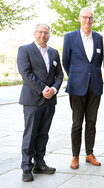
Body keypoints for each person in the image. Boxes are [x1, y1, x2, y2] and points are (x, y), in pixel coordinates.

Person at [17, 24, 64, 182]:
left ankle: (39, 163)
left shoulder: (54, 52)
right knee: (30, 134)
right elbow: (26, 73)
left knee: (44, 133)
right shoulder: (25, 50)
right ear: (34, 33)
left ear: (49, 35)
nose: (43, 35)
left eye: (46, 32)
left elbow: (59, 75)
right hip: (33, 99)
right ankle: (26, 167)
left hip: (50, 101)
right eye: (40, 32)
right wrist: (44, 89)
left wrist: (54, 90)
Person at [62, 7, 104, 169]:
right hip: (77, 86)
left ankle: (89, 153)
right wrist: (76, 76)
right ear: (79, 19)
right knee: (77, 123)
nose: (88, 20)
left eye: (90, 18)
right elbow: (66, 61)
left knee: (91, 123)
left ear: (93, 20)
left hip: (95, 86)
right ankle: (75, 156)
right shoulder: (70, 37)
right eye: (85, 17)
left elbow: (97, 62)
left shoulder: (99, 38)